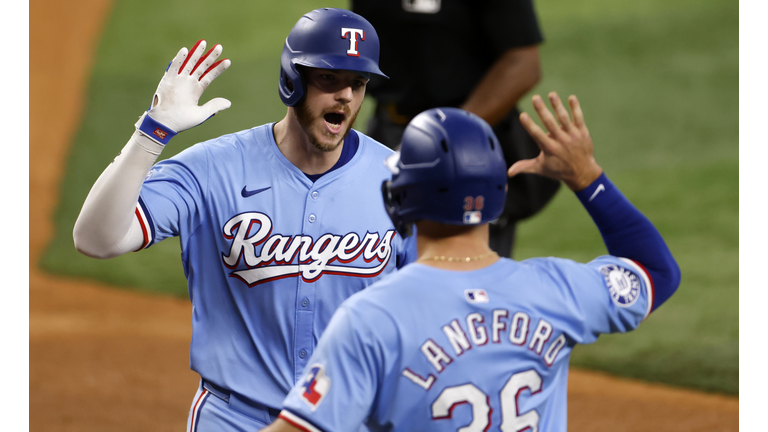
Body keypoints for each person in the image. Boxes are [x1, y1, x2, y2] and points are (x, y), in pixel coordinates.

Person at [72, 8, 416, 432]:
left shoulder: (397, 180)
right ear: (293, 80)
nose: (345, 96)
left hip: (350, 420)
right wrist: (151, 133)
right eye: (329, 79)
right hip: (235, 420)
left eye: (357, 83)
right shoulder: (214, 169)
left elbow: (428, 309)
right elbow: (96, 239)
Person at [261, 93, 681, 432]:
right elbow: (656, 271)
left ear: (400, 197)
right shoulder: (557, 289)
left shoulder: (373, 318)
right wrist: (588, 178)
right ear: (497, 194)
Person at [351, 0, 562, 258]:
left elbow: (524, 63)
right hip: (388, 130)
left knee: (467, 269)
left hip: (466, 142)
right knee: (377, 258)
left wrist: (445, 133)